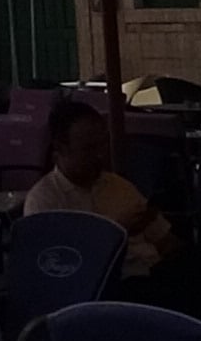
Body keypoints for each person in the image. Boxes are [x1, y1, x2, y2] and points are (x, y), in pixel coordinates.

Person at [20, 97, 176, 278]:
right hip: (110, 286)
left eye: (103, 144)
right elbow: (62, 269)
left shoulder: (119, 186)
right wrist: (117, 232)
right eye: (89, 149)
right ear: (61, 149)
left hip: (154, 274)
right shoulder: (46, 202)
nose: (100, 155)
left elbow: (165, 240)